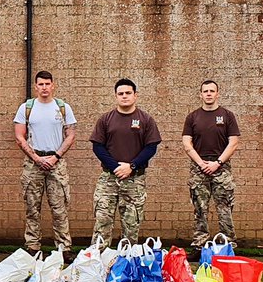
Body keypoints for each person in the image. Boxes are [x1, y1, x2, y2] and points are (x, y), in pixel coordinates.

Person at [13, 70, 78, 260]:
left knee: (60, 208)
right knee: (32, 208)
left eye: (47, 84)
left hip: (56, 163)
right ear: (35, 86)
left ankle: (64, 248)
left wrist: (55, 157)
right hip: (34, 164)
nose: (44, 88)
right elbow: (19, 136)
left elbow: (71, 135)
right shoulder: (26, 108)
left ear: (53, 85)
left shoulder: (63, 108)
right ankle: (32, 246)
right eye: (40, 84)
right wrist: (36, 158)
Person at [89, 78, 161, 245]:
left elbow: (151, 148)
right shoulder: (106, 119)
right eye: (120, 94)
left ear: (135, 95)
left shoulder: (146, 120)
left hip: (134, 180)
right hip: (109, 179)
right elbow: (98, 147)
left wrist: (131, 166)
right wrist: (116, 167)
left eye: (128, 93)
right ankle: (98, 262)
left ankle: (127, 262)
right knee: (102, 222)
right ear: (116, 96)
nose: (124, 96)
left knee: (131, 225)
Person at [181, 79, 241, 250]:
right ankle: (200, 245)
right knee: (200, 209)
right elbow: (187, 143)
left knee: (225, 207)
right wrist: (201, 164)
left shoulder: (227, 116)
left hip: (221, 168)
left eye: (211, 91)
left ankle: (228, 246)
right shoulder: (192, 117)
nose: (208, 94)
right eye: (205, 91)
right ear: (200, 94)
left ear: (217, 93)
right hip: (198, 169)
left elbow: (233, 143)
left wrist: (218, 163)